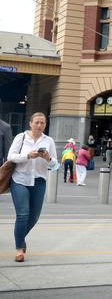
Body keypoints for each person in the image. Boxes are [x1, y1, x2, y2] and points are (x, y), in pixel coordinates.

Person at [7, 112, 57, 262]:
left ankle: (19, 236)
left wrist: (48, 158)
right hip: (20, 180)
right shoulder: (21, 137)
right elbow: (11, 156)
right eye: (37, 122)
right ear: (30, 123)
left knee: (33, 217)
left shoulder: (49, 140)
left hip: (39, 182)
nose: (40, 125)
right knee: (23, 214)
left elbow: (55, 165)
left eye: (43, 123)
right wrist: (28, 155)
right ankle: (19, 249)